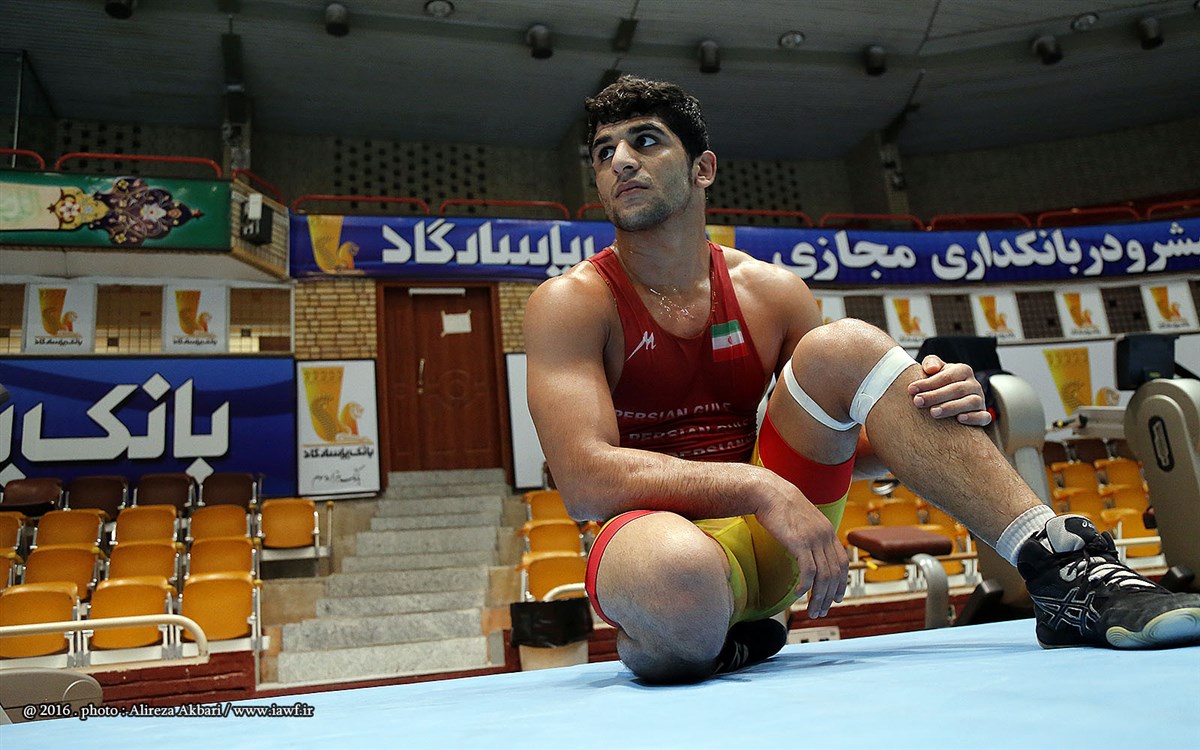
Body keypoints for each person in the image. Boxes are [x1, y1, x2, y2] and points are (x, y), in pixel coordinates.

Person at [523, 75, 1200, 684]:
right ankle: (721, 633)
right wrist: (758, 485)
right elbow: (583, 482)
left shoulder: (772, 292)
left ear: (703, 168)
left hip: (776, 540)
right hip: (661, 543)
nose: (620, 160)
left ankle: (1060, 566)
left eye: (644, 141)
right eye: (604, 152)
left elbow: (849, 445)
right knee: (678, 579)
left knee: (844, 346)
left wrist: (932, 409)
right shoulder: (571, 302)